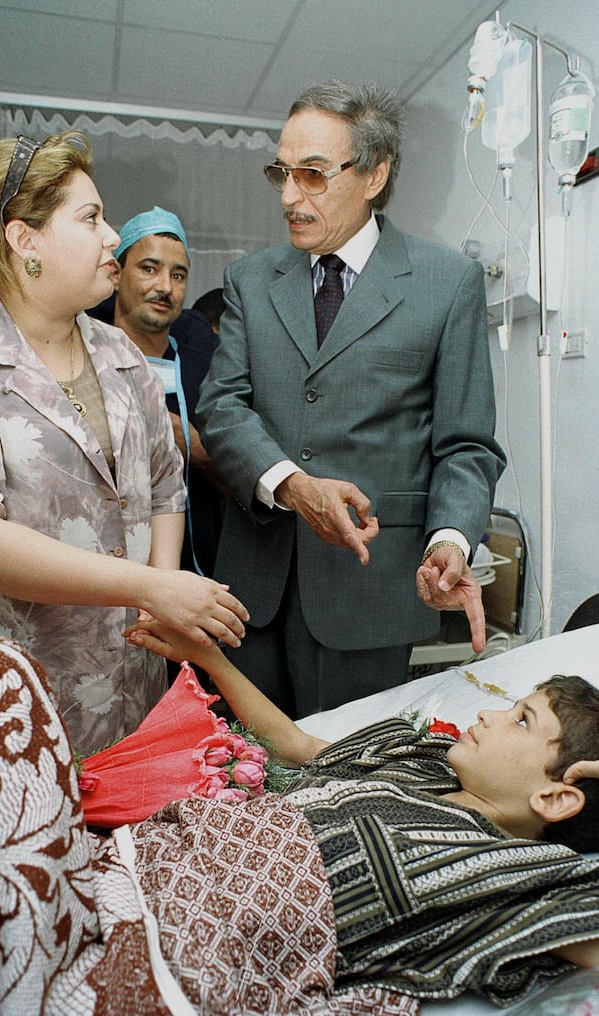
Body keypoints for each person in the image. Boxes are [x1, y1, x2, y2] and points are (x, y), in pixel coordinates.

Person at [0, 624, 599, 1013]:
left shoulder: (529, 883)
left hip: (162, 965)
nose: (489, 714)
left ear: (556, 796)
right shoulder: (415, 758)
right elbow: (297, 742)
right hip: (99, 874)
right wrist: (210, 659)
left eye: (521, 719)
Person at [0, 133, 247, 757]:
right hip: (6, 701)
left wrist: (159, 597)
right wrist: (147, 586)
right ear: (25, 241)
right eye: (92, 218)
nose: (112, 239)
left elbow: (165, 485)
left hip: (129, 688)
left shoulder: (121, 355)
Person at [197, 80, 507, 718]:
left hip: (371, 593)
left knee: (345, 781)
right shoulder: (251, 281)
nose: (289, 196)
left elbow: (466, 444)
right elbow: (222, 408)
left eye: (312, 174)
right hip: (247, 597)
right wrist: (290, 484)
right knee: (240, 778)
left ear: (374, 174)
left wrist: (449, 539)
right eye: (281, 172)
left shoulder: (447, 285)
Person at [113, 207, 223, 576]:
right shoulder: (81, 356)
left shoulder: (208, 368)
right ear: (116, 273)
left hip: (196, 572)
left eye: (178, 275)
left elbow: (240, 473)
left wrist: (191, 443)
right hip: (105, 570)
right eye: (149, 268)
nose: (164, 287)